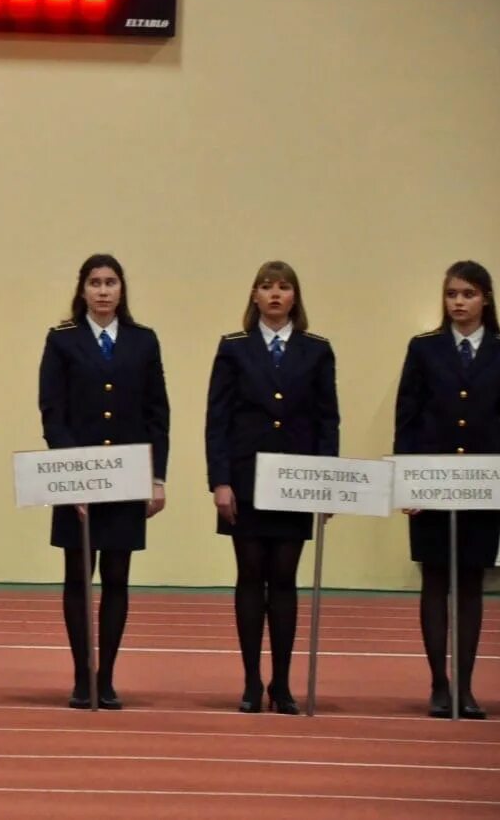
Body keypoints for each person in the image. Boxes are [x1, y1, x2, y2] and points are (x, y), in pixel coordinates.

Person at [393, 260, 500, 719]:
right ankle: (438, 683)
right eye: (452, 293)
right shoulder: (424, 348)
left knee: (470, 581)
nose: (458, 302)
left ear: (485, 298)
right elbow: (407, 418)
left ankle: (466, 687)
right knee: (435, 578)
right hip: (431, 479)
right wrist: (404, 481)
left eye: (467, 294)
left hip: (484, 484)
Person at [205, 260, 338, 715]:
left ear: (295, 297)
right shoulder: (234, 348)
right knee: (249, 576)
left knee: (284, 579)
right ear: (254, 296)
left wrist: (327, 484)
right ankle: (249, 682)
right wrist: (219, 481)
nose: (275, 295)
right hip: (244, 480)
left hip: (296, 484)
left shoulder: (316, 350)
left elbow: (327, 421)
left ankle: (281, 683)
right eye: (267, 287)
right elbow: (217, 420)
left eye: (284, 287)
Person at [38, 253, 169, 709]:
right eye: (94, 282)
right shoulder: (62, 341)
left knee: (117, 576)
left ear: (122, 289)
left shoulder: (143, 341)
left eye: (111, 282)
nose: (103, 290)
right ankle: (80, 675)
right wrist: (74, 477)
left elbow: (157, 414)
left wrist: (157, 478)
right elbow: (52, 412)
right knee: (78, 576)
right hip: (77, 480)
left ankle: (107, 675)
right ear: (82, 290)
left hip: (128, 479)